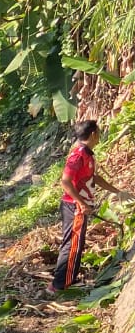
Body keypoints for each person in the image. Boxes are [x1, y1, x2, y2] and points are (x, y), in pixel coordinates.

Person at [50, 119, 133, 293]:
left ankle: (67, 281)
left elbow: (93, 178)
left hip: (79, 205)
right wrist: (81, 203)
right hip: (74, 207)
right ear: (94, 134)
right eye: (99, 132)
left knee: (76, 244)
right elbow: (65, 182)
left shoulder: (88, 155)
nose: (100, 135)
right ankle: (59, 286)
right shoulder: (78, 156)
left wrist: (117, 192)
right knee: (72, 245)